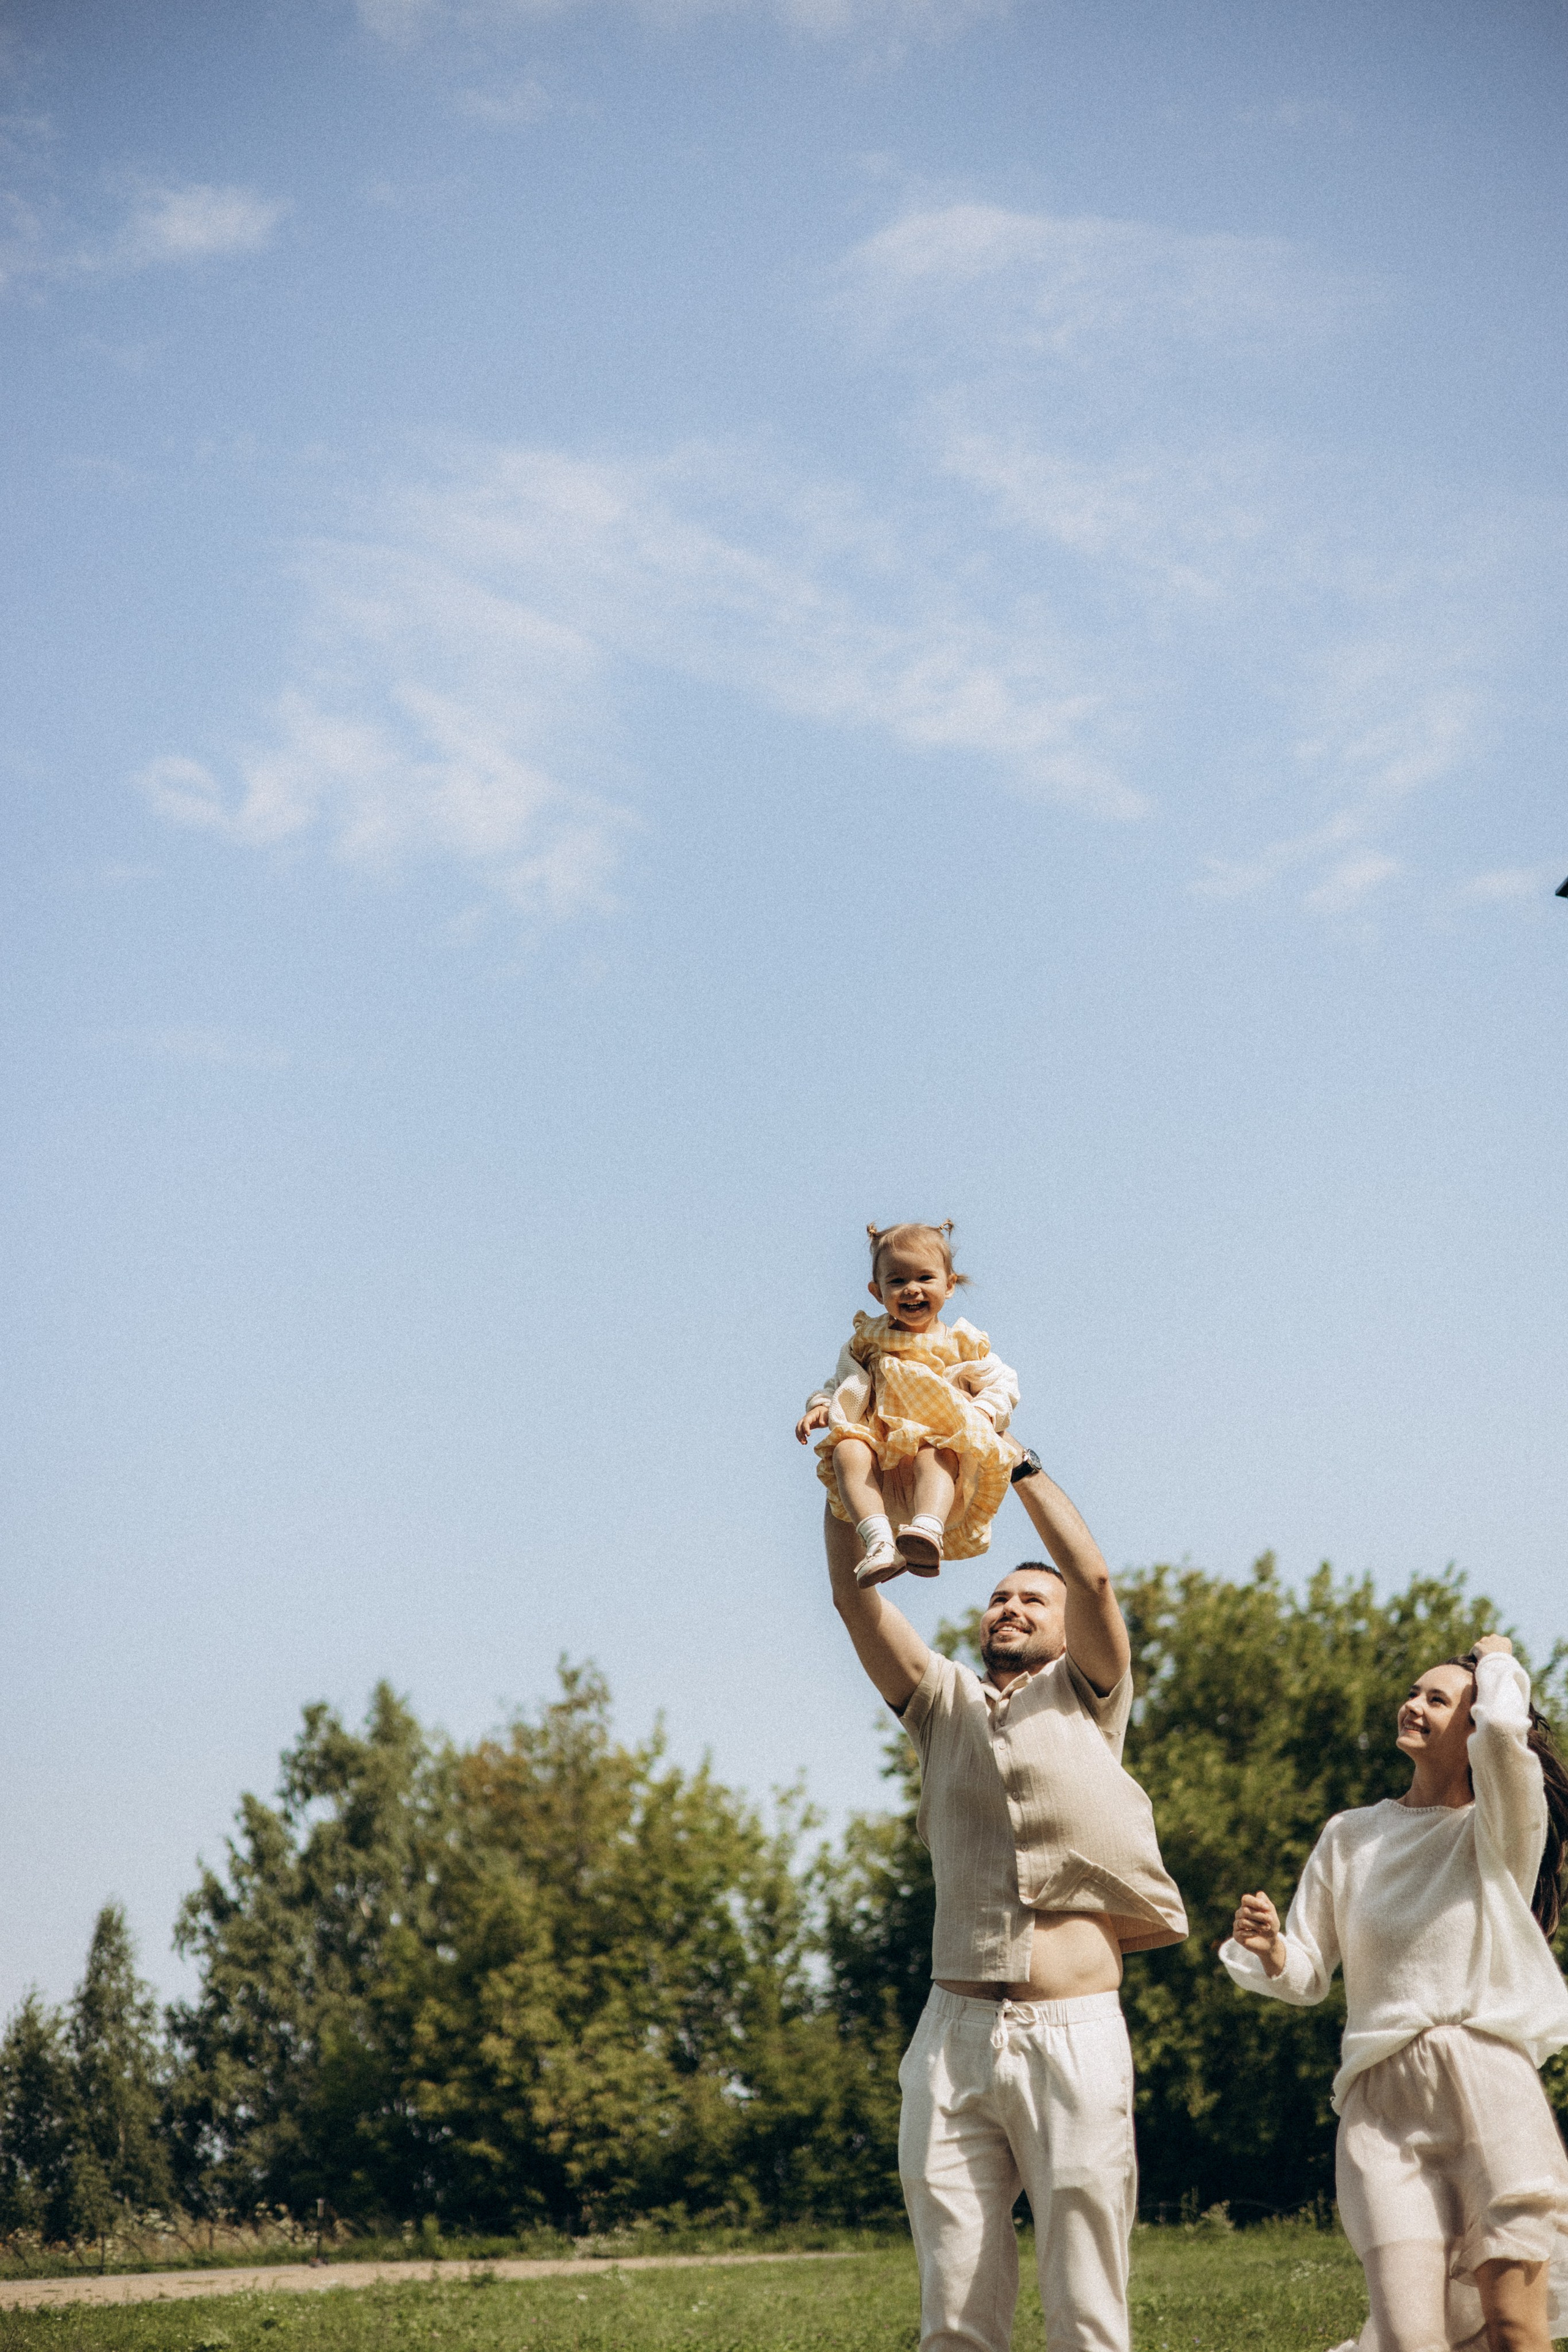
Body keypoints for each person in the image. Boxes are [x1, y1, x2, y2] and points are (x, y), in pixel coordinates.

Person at [824, 1458, 1188, 2352]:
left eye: (1034, 1600)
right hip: (953, 2040)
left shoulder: (1089, 1697)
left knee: (1087, 2301)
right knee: (954, 2311)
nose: (1011, 1608)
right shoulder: (940, 1701)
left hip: (1075, 2034)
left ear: (1068, 1633)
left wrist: (1013, 1463)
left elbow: (1095, 1580)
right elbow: (855, 1602)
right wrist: (845, 1472)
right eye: (998, 1598)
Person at [1224, 1636, 1568, 2352]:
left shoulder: (1499, 1832)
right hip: (1381, 2109)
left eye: (1438, 1700)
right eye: (1414, 1691)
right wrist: (1274, 1949)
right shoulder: (1350, 1836)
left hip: (1488, 2087)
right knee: (1409, 2340)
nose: (1413, 1704)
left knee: (1513, 2329)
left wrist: (1497, 1659)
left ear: (1472, 1726)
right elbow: (1310, 1972)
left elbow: (1507, 1734)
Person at [796, 1221, 1020, 1585]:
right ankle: (880, 1542)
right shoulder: (869, 1341)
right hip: (881, 1472)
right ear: (877, 1292)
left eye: (925, 1278)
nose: (911, 1289)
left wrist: (981, 1412)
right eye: (897, 1281)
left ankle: (926, 1533)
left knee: (936, 1452)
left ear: (949, 1285)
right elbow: (842, 1381)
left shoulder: (962, 1344)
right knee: (847, 1450)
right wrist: (822, 1404)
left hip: (932, 1481)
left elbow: (1002, 1382)